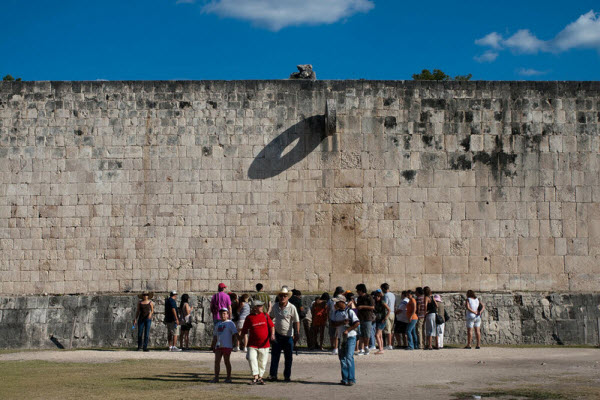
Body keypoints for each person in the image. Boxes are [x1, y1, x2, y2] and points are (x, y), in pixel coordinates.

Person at [268, 287, 300, 382]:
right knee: (275, 356)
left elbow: (296, 321)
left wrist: (297, 333)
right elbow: (271, 318)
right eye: (281, 295)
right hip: (277, 335)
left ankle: (287, 376)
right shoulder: (275, 306)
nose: (283, 297)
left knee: (288, 358)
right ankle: (273, 375)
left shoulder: (292, 307)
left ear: (287, 297)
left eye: (285, 296)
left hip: (288, 336)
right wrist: (271, 331)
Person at [241, 300, 275, 385]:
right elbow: (244, 330)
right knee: (252, 359)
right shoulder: (249, 318)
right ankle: (255, 377)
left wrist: (272, 335)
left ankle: (260, 377)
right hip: (252, 344)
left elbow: (272, 326)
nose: (262, 307)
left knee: (262, 362)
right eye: (260, 306)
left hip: (264, 344)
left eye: (261, 305)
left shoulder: (265, 315)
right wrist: (239, 340)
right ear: (255, 308)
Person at [331, 295, 360, 386]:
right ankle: (345, 378)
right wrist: (342, 323)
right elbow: (332, 323)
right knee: (342, 358)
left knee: (348, 357)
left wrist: (348, 330)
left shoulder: (350, 311)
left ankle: (351, 379)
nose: (335, 303)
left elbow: (357, 323)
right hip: (340, 338)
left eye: (337, 302)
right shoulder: (335, 313)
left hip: (350, 337)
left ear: (342, 302)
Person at [210, 308, 238, 383]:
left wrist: (235, 343)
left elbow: (235, 334)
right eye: (221, 314)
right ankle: (216, 377)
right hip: (219, 345)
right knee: (217, 361)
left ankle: (228, 377)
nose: (223, 315)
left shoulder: (230, 323)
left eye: (224, 313)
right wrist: (213, 345)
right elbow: (215, 335)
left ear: (228, 314)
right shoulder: (218, 324)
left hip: (227, 345)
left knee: (226, 361)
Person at [210, 283, 232, 350]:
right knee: (224, 332)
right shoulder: (227, 296)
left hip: (216, 316)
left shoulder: (214, 296)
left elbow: (211, 306)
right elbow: (229, 307)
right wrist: (230, 316)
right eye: (225, 288)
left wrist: (213, 313)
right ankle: (221, 346)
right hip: (224, 317)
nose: (225, 289)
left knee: (216, 332)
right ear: (223, 288)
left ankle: (214, 346)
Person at [355, 284, 374, 356]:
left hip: (367, 318)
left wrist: (363, 306)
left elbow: (372, 307)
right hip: (360, 318)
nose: (357, 292)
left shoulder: (369, 297)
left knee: (366, 334)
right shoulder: (359, 298)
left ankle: (366, 348)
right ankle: (361, 349)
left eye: (358, 290)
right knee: (361, 334)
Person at [373, 290, 391, 354]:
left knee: (377, 335)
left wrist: (385, 318)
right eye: (376, 296)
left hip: (382, 320)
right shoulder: (376, 303)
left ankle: (380, 349)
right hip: (378, 320)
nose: (377, 297)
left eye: (378, 296)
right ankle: (381, 348)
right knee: (380, 335)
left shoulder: (382, 302)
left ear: (380, 296)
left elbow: (389, 310)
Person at [328, 286, 344, 354]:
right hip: (336, 316)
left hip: (334, 316)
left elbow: (328, 308)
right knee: (335, 333)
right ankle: (335, 347)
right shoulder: (338, 300)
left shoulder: (332, 300)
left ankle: (334, 347)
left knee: (334, 333)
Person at [380, 283, 396, 350]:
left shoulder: (386, 295)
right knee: (392, 330)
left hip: (388, 313)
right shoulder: (393, 295)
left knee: (388, 330)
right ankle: (391, 344)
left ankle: (389, 344)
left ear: (383, 288)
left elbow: (385, 304)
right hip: (393, 312)